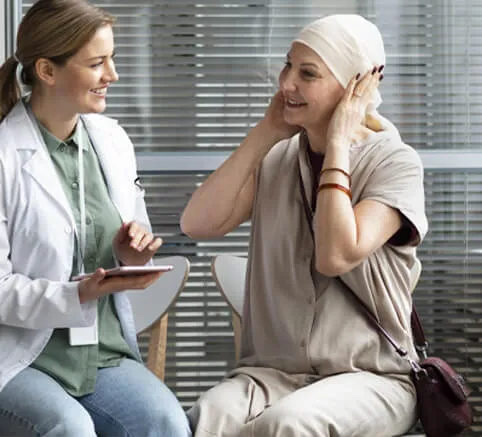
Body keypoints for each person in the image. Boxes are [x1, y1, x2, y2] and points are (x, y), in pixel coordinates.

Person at [181, 14, 428, 437]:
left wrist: (337, 143)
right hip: (272, 374)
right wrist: (264, 133)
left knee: (289, 425)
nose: (286, 84)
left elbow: (335, 254)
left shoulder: (394, 162)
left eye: (307, 74)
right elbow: (197, 223)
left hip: (372, 378)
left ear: (356, 85)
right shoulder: (278, 158)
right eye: (287, 66)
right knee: (206, 418)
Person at [0, 1, 191, 436]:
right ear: (47, 70)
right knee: (70, 427)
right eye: (97, 63)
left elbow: (129, 245)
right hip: (25, 357)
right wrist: (78, 293)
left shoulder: (113, 142)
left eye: (111, 59)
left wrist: (130, 252)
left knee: (166, 422)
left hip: (102, 355)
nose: (112, 75)